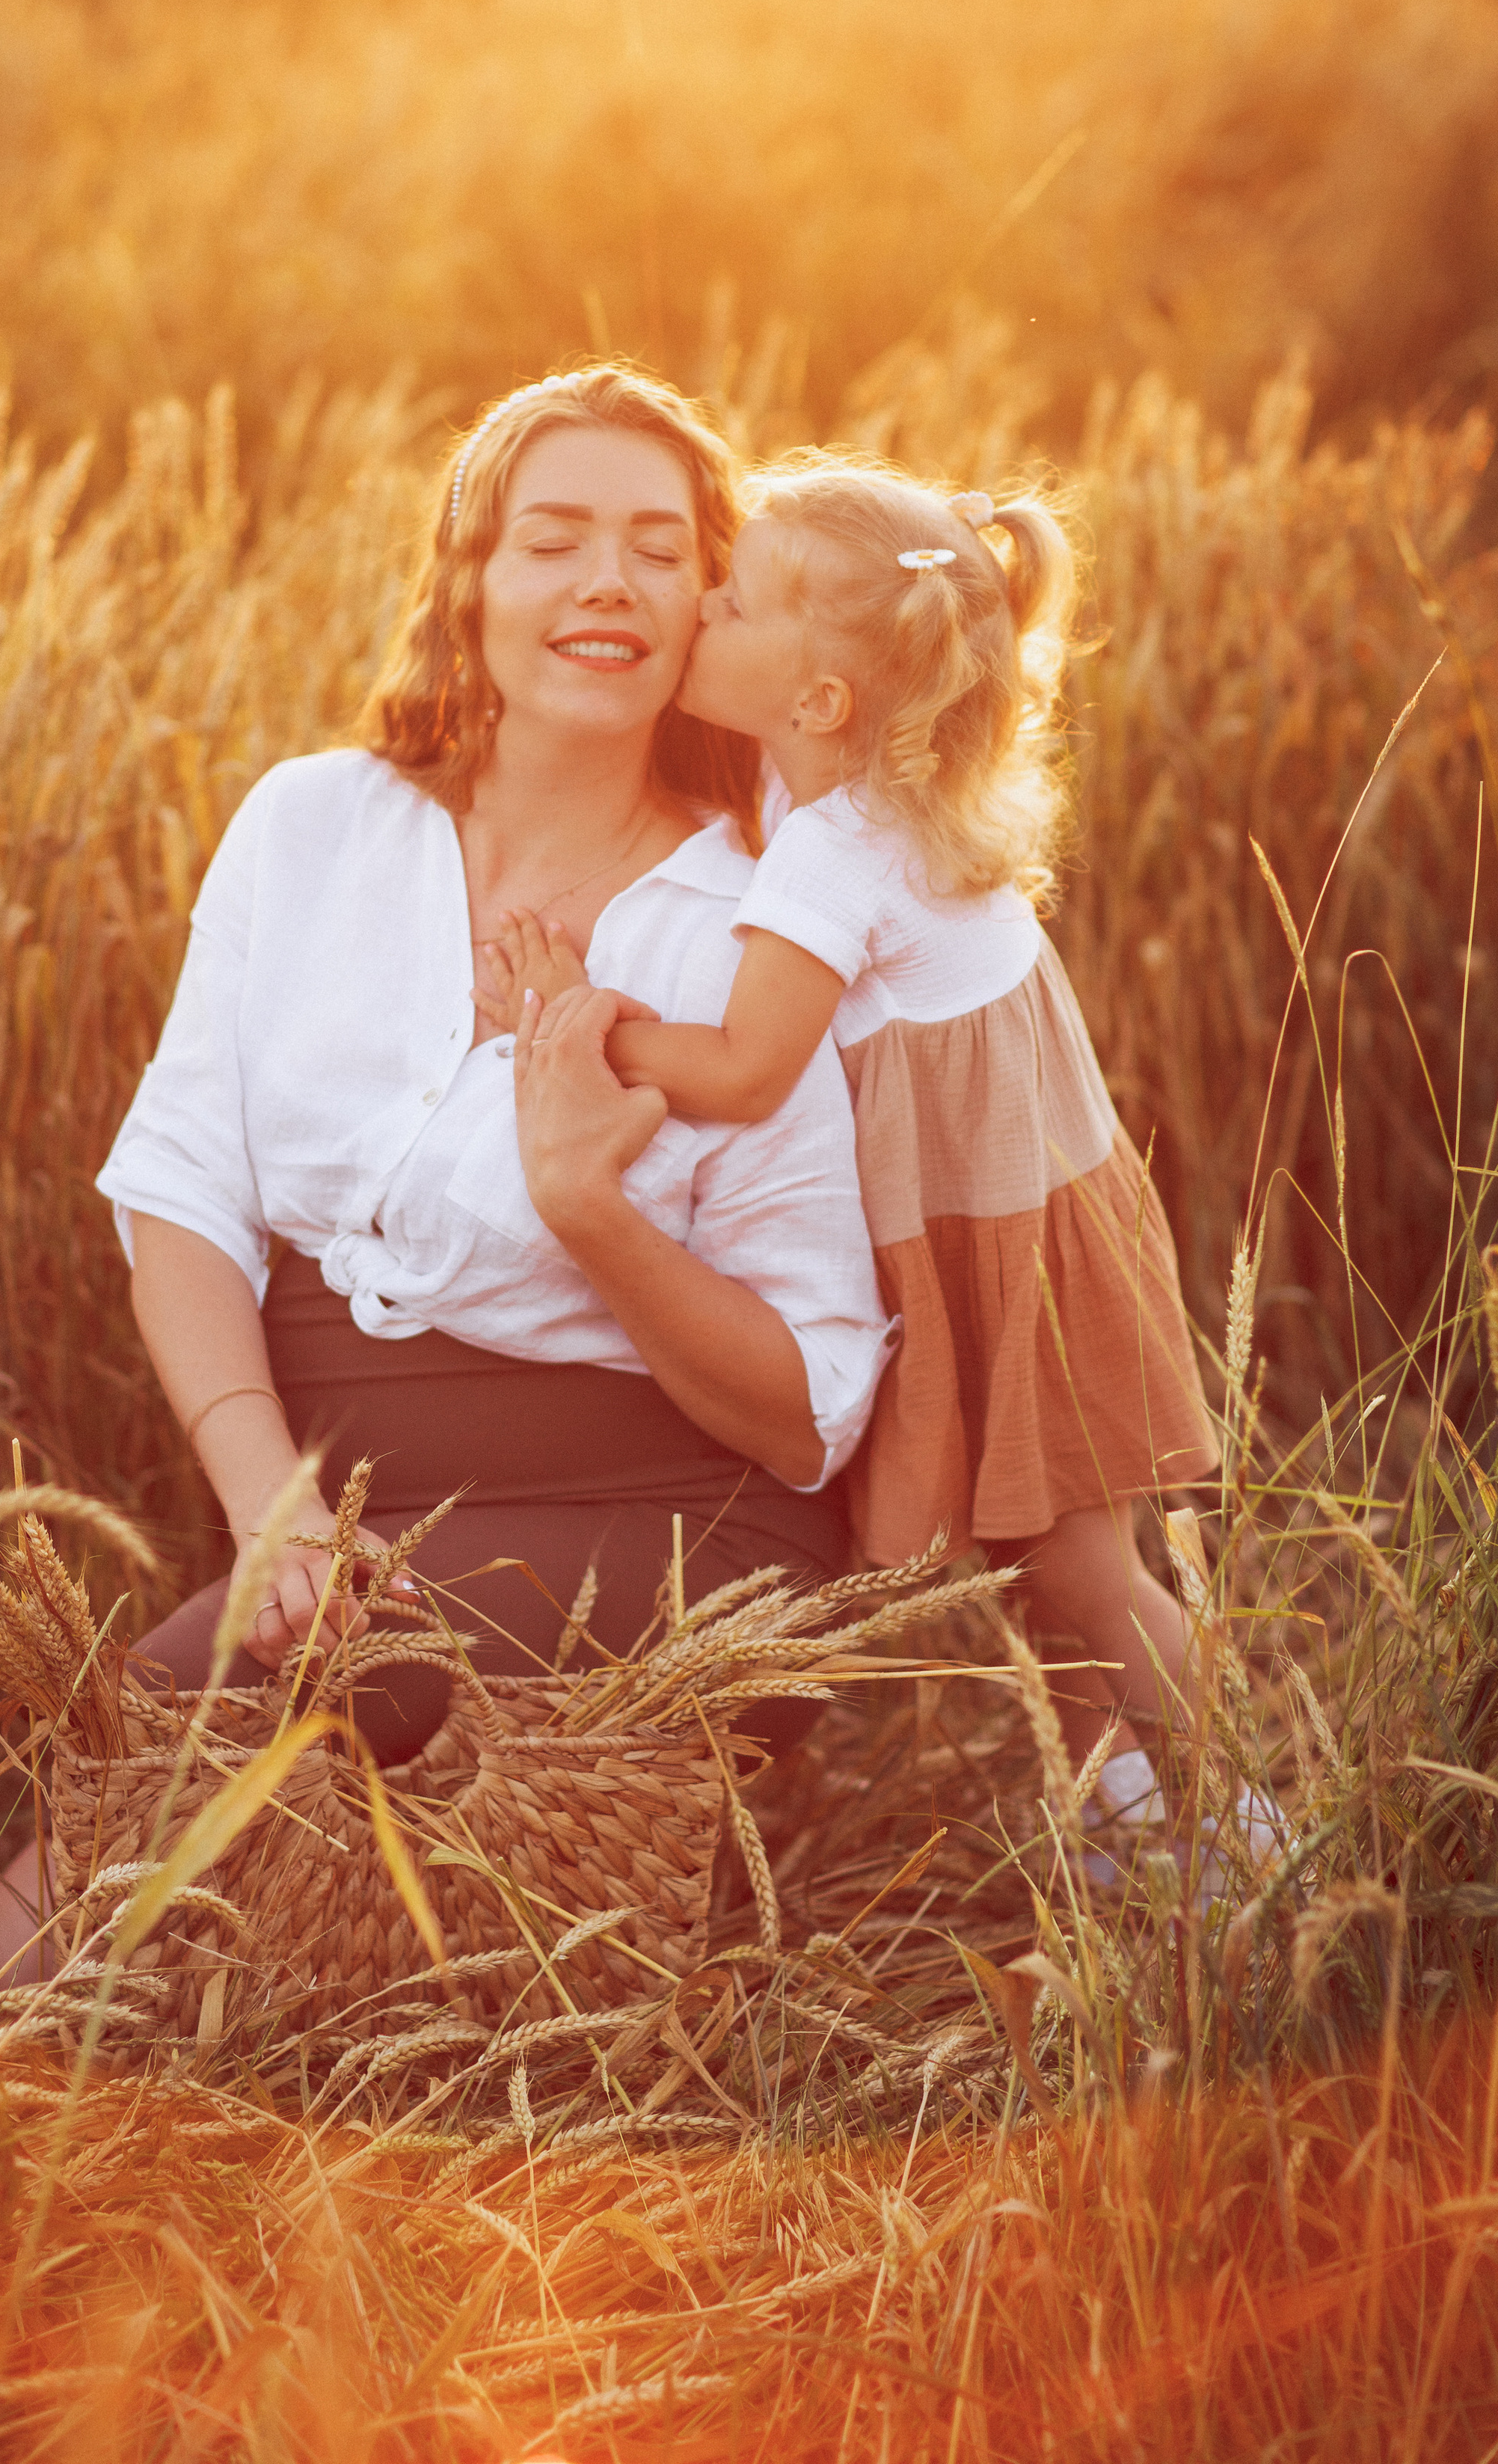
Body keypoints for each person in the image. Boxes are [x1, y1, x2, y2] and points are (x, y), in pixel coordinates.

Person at [0, 370, 891, 1991]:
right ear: (469, 579)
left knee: (70, 1923)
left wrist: (593, 1212)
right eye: (553, 539)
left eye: (657, 550)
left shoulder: (756, 925)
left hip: (671, 1529)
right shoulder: (312, 829)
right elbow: (179, 1194)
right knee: (29, 1907)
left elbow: (812, 1412)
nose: (605, 582)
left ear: (711, 604)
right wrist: (270, 1509)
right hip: (343, 1522)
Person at [475, 455, 1221, 1864]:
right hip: (1039, 1215)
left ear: (820, 701)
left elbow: (746, 1070)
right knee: (1055, 1564)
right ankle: (1136, 1841)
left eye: (735, 602)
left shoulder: (832, 850)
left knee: (1083, 1571)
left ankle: (1261, 1826)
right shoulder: (890, 783)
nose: (702, 603)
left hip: (993, 1240)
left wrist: (577, 1020)